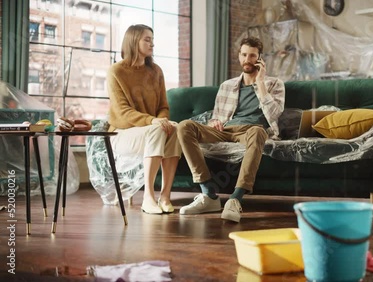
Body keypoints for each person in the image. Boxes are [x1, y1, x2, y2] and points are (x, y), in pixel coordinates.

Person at [177, 36, 285, 222]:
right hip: (226, 131)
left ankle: (235, 199)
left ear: (260, 59)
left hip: (252, 131)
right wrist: (214, 123)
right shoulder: (227, 86)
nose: (247, 60)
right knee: (184, 126)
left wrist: (260, 83)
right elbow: (217, 117)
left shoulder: (274, 84)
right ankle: (208, 194)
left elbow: (274, 114)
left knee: (259, 131)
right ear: (239, 56)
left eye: (252, 56)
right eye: (244, 55)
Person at [107, 24, 182, 214]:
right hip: (121, 134)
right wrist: (153, 121)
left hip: (150, 131)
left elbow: (163, 107)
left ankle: (165, 196)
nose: (152, 44)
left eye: (152, 40)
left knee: (175, 128)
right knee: (158, 128)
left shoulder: (155, 71)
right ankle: (148, 198)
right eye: (147, 40)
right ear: (133, 41)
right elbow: (122, 111)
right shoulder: (116, 71)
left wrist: (162, 120)